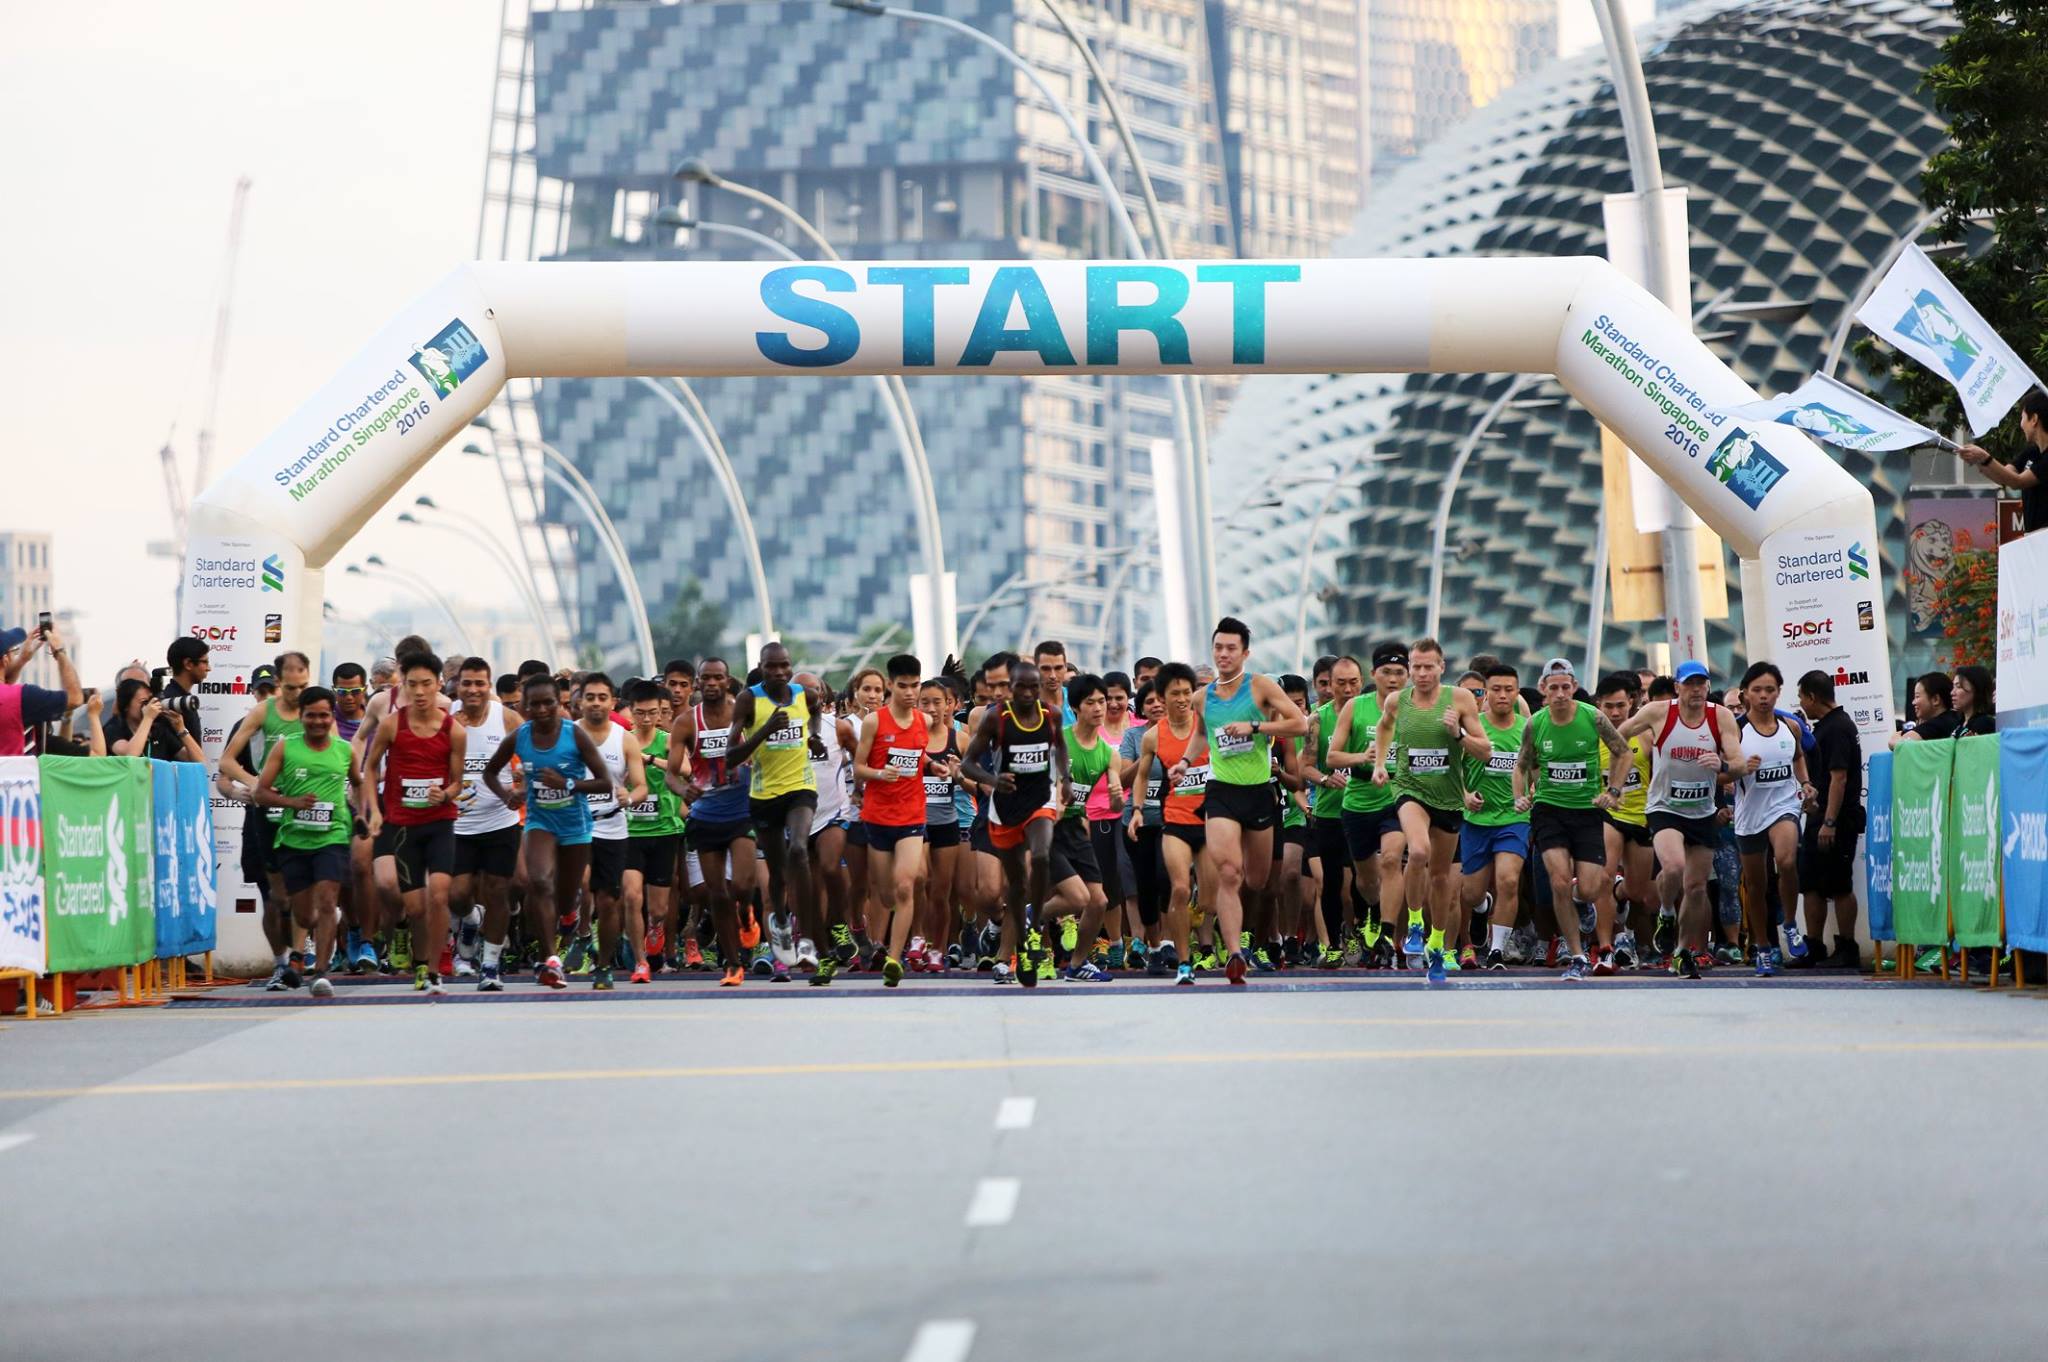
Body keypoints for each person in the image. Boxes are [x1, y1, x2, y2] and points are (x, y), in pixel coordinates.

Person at [1189, 617, 1311, 986]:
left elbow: (1300, 724)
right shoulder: (1202, 697)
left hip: (1259, 792)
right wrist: (1181, 762)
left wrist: (1256, 728)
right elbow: (1201, 737)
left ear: (1245, 652)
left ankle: (1243, 933)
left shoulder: (1260, 688)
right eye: (1218, 648)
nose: (1223, 654)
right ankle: (1235, 953)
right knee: (1228, 873)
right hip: (1221, 791)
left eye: (1231, 648)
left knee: (1257, 881)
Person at [1370, 637, 1493, 985]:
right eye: (1416, 667)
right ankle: (1413, 924)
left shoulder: (1460, 699)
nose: (1422, 674)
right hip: (1410, 789)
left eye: (1429, 667)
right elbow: (1383, 728)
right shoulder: (1398, 701)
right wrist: (1381, 764)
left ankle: (1438, 943)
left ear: (1442, 667)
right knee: (1418, 850)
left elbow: (1485, 750)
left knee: (1441, 878)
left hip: (1449, 798)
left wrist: (1458, 735)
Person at [1619, 660, 1747, 980]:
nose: (1696, 690)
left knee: (1697, 888)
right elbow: (1618, 734)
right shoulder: (1660, 713)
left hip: (1702, 811)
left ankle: (1682, 952)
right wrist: (1617, 769)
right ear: (1678, 687)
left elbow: (1740, 764)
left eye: (1701, 684)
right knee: (1674, 867)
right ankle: (1666, 913)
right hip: (1664, 807)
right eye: (1690, 684)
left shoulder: (1721, 716)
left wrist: (1721, 764)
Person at [482, 674, 609, 990]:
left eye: (547, 703)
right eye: (534, 704)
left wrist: (567, 784)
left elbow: (604, 782)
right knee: (538, 882)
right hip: (540, 822)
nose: (541, 709)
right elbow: (490, 772)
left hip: (575, 825)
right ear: (525, 706)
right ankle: (552, 960)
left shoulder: (574, 735)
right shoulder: (520, 737)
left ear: (559, 703)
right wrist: (507, 795)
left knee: (565, 901)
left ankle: (564, 924)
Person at [1512, 659, 1631, 978]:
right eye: (1554, 688)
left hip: (1587, 810)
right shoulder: (1535, 723)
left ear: (1574, 687)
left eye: (1566, 687)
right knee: (1559, 881)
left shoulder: (1593, 717)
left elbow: (1624, 752)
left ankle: (1583, 902)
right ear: (1543, 690)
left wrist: (1614, 791)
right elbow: (1521, 764)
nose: (1561, 694)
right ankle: (1577, 954)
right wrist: (1520, 797)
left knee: (1591, 888)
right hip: (1549, 809)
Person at [361, 651, 468, 994]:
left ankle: (434, 971)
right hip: (403, 824)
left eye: (426, 684)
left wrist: (446, 795)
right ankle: (420, 961)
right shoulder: (393, 723)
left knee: (439, 896)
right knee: (415, 906)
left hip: (439, 822)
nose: (420, 692)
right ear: (403, 685)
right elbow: (370, 768)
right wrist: (375, 810)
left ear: (439, 685)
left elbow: (457, 782)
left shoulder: (455, 730)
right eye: (412, 685)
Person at [251, 686, 365, 1000]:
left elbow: (358, 783)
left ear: (332, 717)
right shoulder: (285, 748)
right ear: (301, 716)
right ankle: (315, 938)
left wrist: (364, 813)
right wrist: (292, 802)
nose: (317, 721)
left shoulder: (344, 750)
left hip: (332, 837)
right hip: (294, 840)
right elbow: (260, 794)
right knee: (303, 916)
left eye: (324, 716)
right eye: (311, 715)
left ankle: (322, 973)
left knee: (328, 901)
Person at [962, 659, 1068, 987]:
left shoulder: (1051, 715)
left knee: (1038, 858)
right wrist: (993, 779)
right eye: (1020, 687)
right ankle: (1009, 938)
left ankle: (1031, 934)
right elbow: (968, 764)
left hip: (1039, 803)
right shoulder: (997, 717)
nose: (1026, 693)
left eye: (1032, 687)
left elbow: (1060, 749)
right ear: (1011, 688)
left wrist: (1064, 777)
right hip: (1004, 809)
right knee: (1006, 889)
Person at [726, 642, 826, 983]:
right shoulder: (748, 700)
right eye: (772, 667)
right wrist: (766, 731)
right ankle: (781, 921)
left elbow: (814, 716)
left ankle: (809, 941)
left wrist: (812, 738)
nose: (780, 673)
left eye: (785, 666)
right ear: (761, 666)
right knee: (779, 874)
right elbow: (730, 755)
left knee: (799, 850)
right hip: (764, 794)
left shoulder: (803, 695)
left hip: (800, 788)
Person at [217, 652, 311, 987]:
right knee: (273, 897)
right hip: (262, 815)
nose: (271, 695)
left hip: (302, 813)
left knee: (304, 892)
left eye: (295, 686)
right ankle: (281, 962)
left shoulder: (314, 713)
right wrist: (253, 786)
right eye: (264, 689)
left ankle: (299, 959)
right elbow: (224, 770)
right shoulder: (257, 717)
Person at [668, 657, 760, 988]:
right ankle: (733, 964)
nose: (711, 683)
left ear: (727, 681)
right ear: (697, 683)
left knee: (742, 886)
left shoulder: (744, 712)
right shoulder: (686, 722)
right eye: (705, 678)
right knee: (716, 892)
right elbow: (670, 773)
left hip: (741, 808)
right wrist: (683, 788)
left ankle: (747, 912)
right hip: (706, 813)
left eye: (717, 678)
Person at [1327, 642, 1409, 966]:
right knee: (1366, 880)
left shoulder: (1416, 709)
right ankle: (1374, 913)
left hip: (1398, 797)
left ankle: (1387, 936)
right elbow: (1332, 756)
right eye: (1386, 672)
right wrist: (1363, 756)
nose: (1393, 679)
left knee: (1391, 860)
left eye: (1399, 673)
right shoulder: (1355, 707)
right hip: (1359, 799)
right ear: (1373, 674)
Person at [1732, 662, 1814, 977]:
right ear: (1745, 694)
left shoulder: (1790, 727)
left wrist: (1805, 783)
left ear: (1779, 692)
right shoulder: (1737, 730)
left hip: (1783, 804)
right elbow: (1722, 774)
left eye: (1770, 690)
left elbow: (1797, 757)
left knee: (1787, 859)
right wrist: (1739, 769)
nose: (1764, 696)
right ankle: (1763, 947)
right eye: (1757, 690)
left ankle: (1791, 925)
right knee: (1756, 884)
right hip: (1750, 812)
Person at [854, 654, 932, 986]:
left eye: (915, 686)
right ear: (891, 685)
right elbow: (858, 768)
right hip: (877, 816)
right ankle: (879, 940)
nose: (910, 692)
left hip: (912, 815)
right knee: (885, 895)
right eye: (903, 686)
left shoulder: (923, 722)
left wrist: (934, 766)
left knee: (905, 885)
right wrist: (878, 773)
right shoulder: (875, 722)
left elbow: (918, 754)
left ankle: (894, 959)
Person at [451, 657, 524, 991]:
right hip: (458, 824)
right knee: (457, 894)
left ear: (489, 685)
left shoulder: (507, 718)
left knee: (498, 892)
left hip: (500, 820)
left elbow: (532, 761)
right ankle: (469, 920)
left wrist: (520, 787)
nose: (473, 689)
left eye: (480, 683)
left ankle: (491, 965)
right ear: (457, 685)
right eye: (467, 683)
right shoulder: (447, 719)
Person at [1131, 662, 1206, 985]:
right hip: (1170, 819)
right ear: (1161, 696)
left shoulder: (1206, 726)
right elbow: (1141, 775)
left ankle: (1193, 913)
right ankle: (1180, 959)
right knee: (1174, 887)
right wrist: (1135, 809)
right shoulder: (1151, 737)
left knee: (1209, 900)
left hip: (1210, 818)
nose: (1181, 699)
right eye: (1174, 693)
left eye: (1187, 692)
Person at [1051, 672, 1122, 982]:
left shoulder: (1109, 754)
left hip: (1076, 829)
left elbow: (1116, 804)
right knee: (1075, 898)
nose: (1098, 708)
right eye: (1090, 702)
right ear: (1076, 707)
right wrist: (1055, 799)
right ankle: (1020, 917)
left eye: (1102, 701)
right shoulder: (1060, 741)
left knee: (1099, 901)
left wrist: (1118, 796)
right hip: (1047, 827)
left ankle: (1078, 964)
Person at [1794, 670, 1864, 971]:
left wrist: (1830, 822)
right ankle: (1813, 945)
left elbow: (1840, 778)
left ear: (1812, 697)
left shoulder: (1838, 728)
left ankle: (1847, 946)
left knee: (1839, 885)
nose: (1801, 703)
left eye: (1801, 697)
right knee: (1811, 884)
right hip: (1817, 816)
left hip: (1837, 821)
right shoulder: (1822, 728)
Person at [1462, 663, 1530, 972]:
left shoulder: (1528, 728)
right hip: (1476, 819)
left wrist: (1530, 794)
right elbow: (1451, 770)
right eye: (1496, 689)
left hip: (1514, 818)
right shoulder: (1473, 725)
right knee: (1471, 892)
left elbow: (1538, 770)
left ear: (1517, 693)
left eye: (1509, 689)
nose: (1503, 695)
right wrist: (1464, 794)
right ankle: (1482, 907)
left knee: (1509, 880)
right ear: (1486, 693)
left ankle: (1497, 950)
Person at [622, 680, 682, 986]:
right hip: (630, 830)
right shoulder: (622, 740)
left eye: (652, 713)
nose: (646, 719)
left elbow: (683, 768)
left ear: (660, 713)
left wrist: (648, 760)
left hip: (664, 829)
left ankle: (655, 927)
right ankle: (641, 960)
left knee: (658, 909)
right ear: (631, 712)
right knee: (632, 895)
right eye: (640, 713)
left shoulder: (667, 740)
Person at [1593, 672, 1655, 967]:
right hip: (1608, 814)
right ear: (1599, 706)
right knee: (1603, 877)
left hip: (1641, 816)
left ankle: (1620, 892)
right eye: (1609, 707)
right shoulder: (1592, 736)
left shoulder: (1645, 734)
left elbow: (1658, 774)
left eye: (1621, 705)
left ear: (1631, 703)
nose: (1616, 713)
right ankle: (1605, 947)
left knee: (1638, 892)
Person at [1305, 655, 1363, 967]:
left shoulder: (1374, 713)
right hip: (1330, 812)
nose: (1347, 689)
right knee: (1330, 883)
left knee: (1363, 879)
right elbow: (1306, 766)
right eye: (1340, 683)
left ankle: (1369, 936)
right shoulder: (1318, 719)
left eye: (1353, 682)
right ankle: (1334, 947)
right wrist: (1326, 779)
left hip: (1368, 808)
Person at [1957, 387, 2046, 533]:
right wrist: (1979, 461)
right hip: (2033, 536)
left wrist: (1985, 457)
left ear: (2034, 419)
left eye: (2023, 417)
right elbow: (2005, 476)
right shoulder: (2032, 451)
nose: (2021, 424)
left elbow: (2018, 482)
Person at [0, 621, 81, 757]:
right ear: (5, 659)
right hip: (13, 777)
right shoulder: (24, 696)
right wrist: (59, 651)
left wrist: (21, 660)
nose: (16, 655)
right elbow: (75, 698)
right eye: (14, 651)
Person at [103, 676, 205, 763]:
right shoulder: (114, 728)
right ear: (126, 706)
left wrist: (181, 729)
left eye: (151, 700)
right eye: (144, 702)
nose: (149, 706)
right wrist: (148, 718)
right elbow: (130, 755)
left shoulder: (158, 730)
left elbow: (199, 761)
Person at [1952, 665, 1996, 736]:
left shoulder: (1984, 722)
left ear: (1976, 689)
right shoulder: (1958, 723)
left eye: (1958, 687)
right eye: (1953, 686)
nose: (1952, 693)